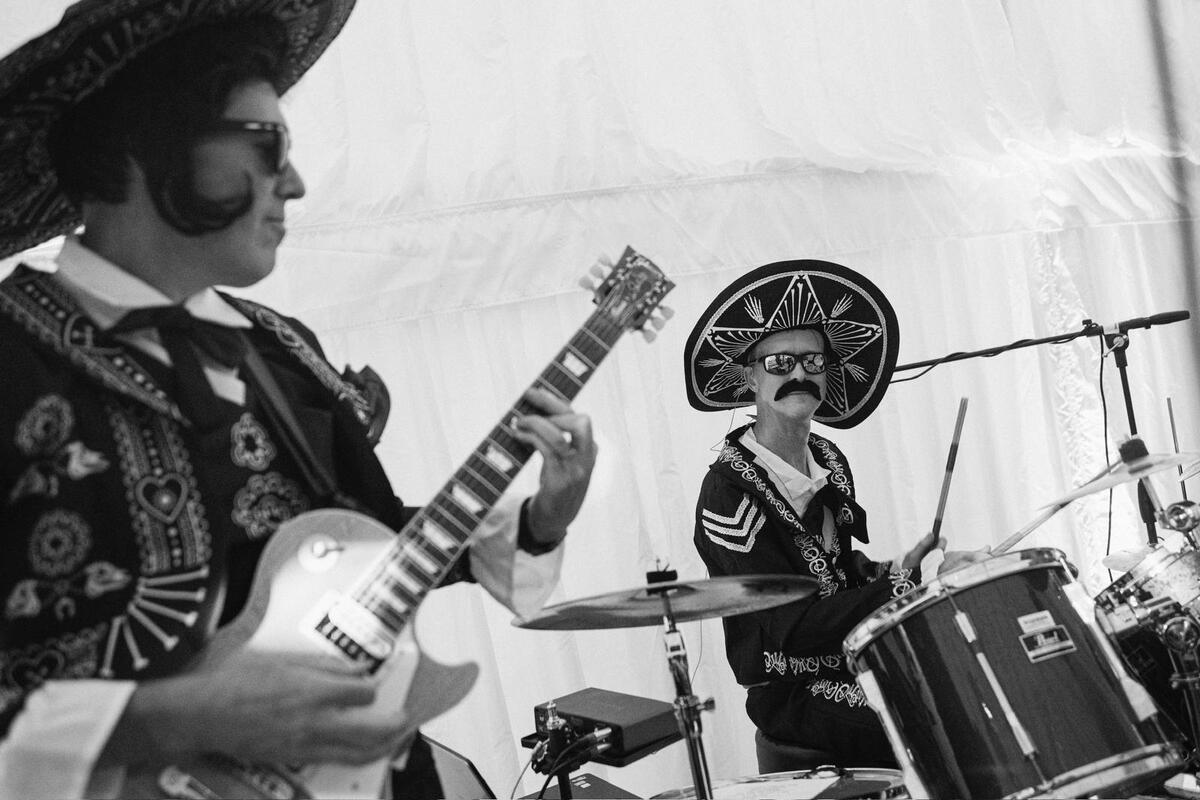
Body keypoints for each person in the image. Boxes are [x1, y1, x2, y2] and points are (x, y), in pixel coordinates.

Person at [0, 2, 597, 798]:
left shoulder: (278, 347)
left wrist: (538, 522)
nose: (296, 181)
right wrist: (162, 719)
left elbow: (368, 547)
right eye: (266, 145)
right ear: (149, 145)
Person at [682, 260, 983, 767]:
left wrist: (903, 568)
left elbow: (837, 576)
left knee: (977, 683)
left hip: (855, 658)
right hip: (790, 690)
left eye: (813, 361)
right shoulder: (727, 494)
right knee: (932, 720)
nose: (799, 374)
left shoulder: (828, 459)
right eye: (780, 362)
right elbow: (792, 627)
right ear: (749, 375)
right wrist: (907, 586)